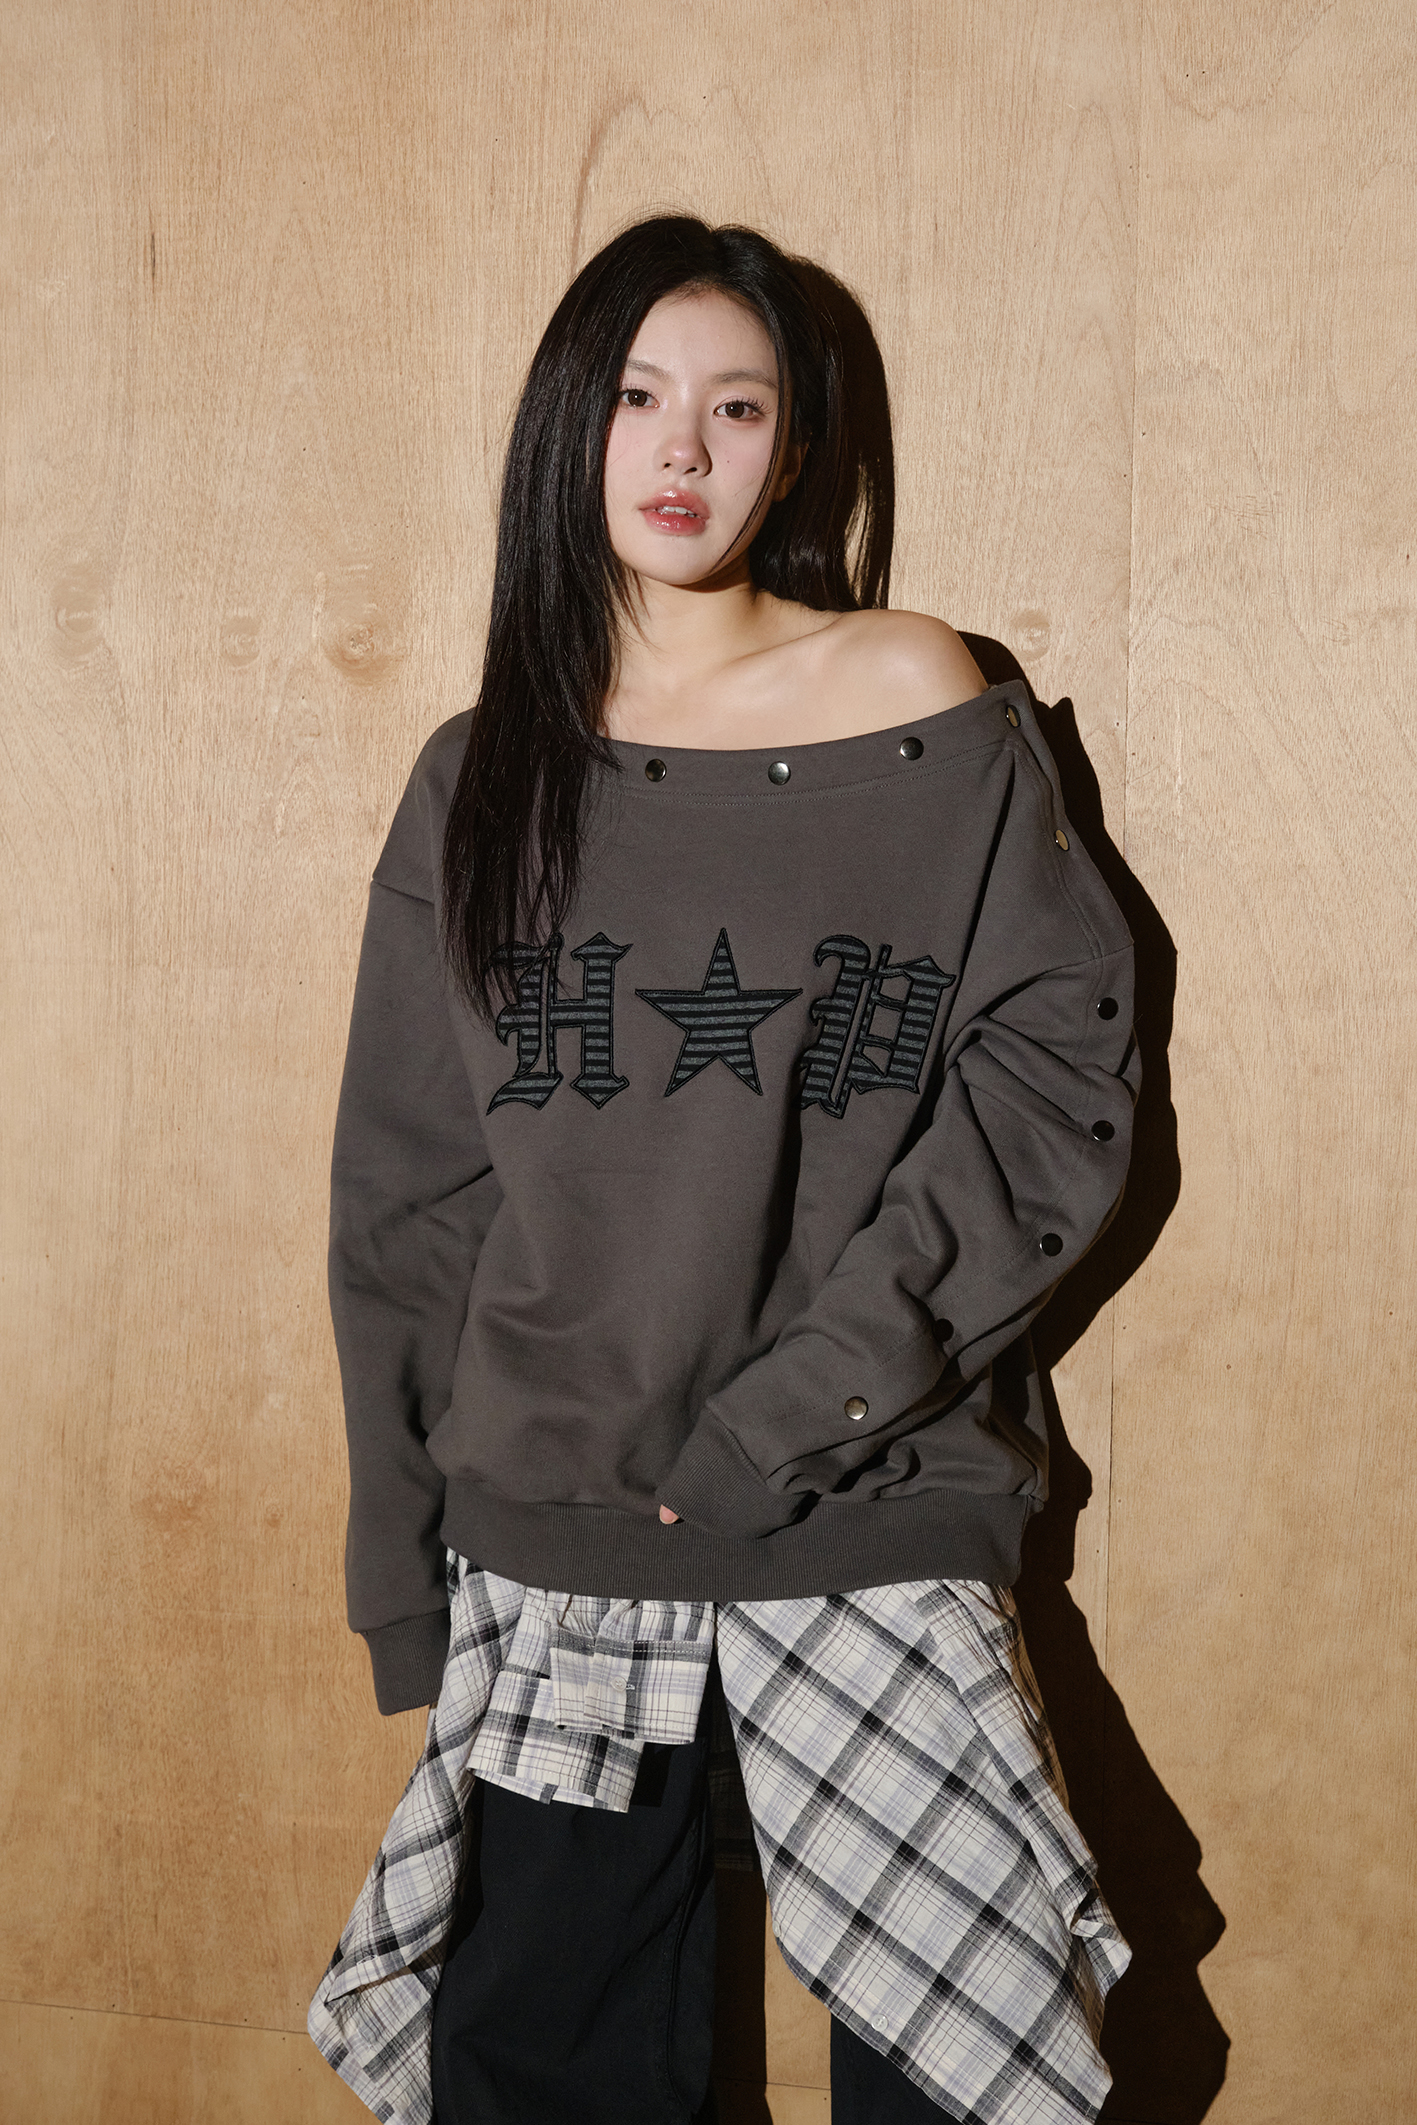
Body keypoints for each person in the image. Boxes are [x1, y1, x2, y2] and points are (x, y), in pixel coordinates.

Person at [308, 217, 1139, 2125]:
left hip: (867, 1496)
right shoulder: (481, 773)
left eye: (738, 407)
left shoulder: (917, 697)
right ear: (567, 426)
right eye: (635, 395)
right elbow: (408, 1200)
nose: (681, 448)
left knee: (969, 2080)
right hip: (557, 1529)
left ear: (797, 450)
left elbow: (1053, 1087)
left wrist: (803, 1406)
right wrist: (401, 1569)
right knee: (547, 2079)